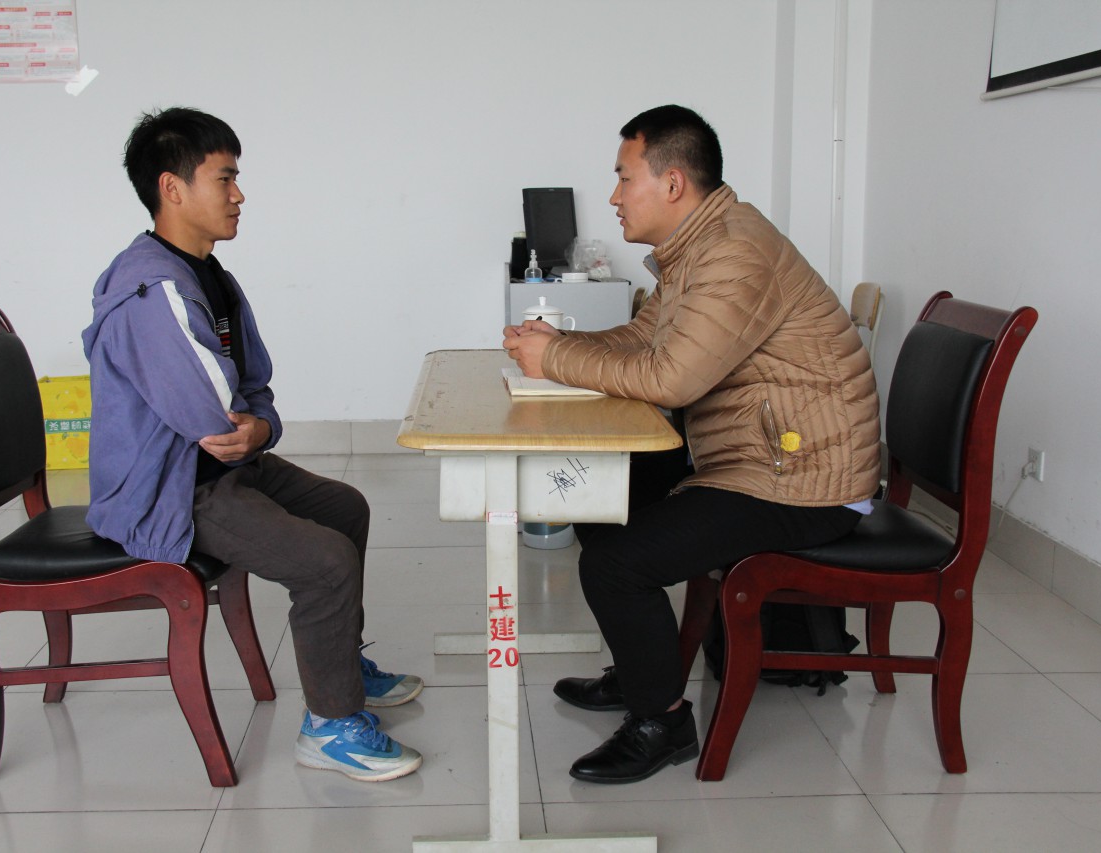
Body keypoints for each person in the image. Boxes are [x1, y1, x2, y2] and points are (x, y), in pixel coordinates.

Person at [502, 105, 880, 784]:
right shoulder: (698, 250)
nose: (614, 197)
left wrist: (554, 360)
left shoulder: (734, 253)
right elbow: (643, 340)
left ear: (672, 183)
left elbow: (670, 378)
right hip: (760, 459)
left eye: (625, 178)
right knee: (600, 498)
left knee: (615, 563)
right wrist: (560, 344)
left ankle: (663, 721)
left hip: (802, 479)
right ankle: (642, 670)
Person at [83, 107, 422, 783]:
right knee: (324, 561)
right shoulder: (153, 288)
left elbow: (253, 384)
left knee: (345, 508)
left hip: (222, 466)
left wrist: (261, 427)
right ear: (172, 188)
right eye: (225, 178)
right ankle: (329, 727)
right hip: (173, 489)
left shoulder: (208, 274)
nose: (239, 194)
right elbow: (212, 416)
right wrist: (251, 426)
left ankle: (338, 665)